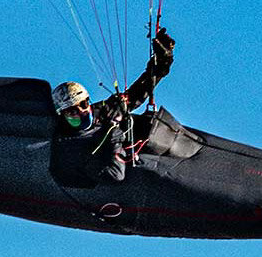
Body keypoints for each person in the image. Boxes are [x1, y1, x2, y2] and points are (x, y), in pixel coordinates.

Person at [51, 27, 175, 183]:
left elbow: (140, 90)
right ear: (62, 115)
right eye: (72, 111)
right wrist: (114, 141)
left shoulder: (106, 111)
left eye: (83, 104)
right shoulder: (64, 141)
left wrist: (162, 61)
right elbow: (115, 175)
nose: (81, 112)